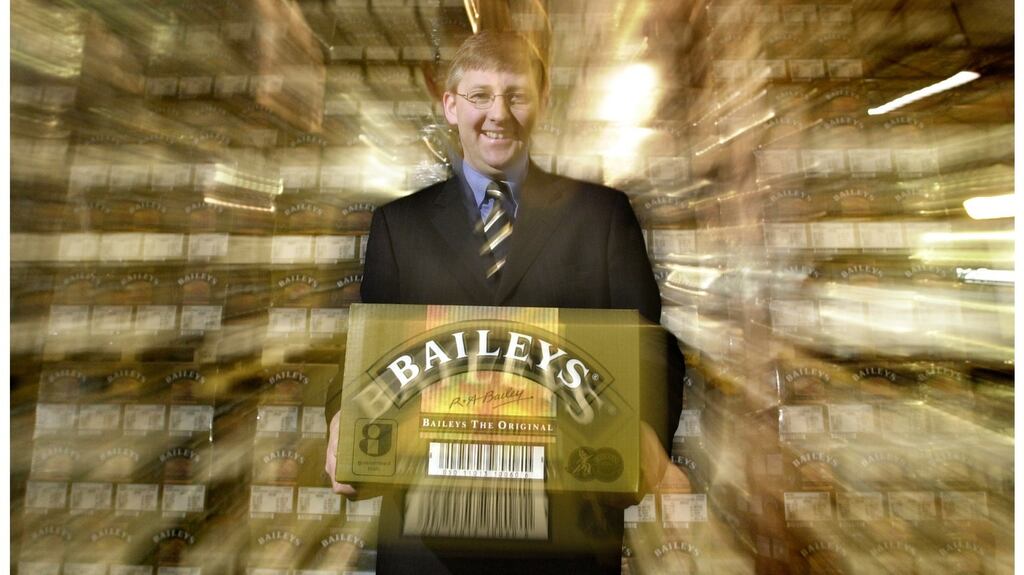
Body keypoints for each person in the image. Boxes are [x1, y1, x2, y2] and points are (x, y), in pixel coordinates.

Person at [325, 30, 683, 574]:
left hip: (568, 530)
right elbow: (371, 346)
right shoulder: (398, 225)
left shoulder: (602, 215)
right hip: (427, 540)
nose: (499, 113)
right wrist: (340, 421)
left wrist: (649, 438)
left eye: (516, 95)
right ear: (450, 105)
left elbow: (651, 348)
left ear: (541, 104)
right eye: (480, 95)